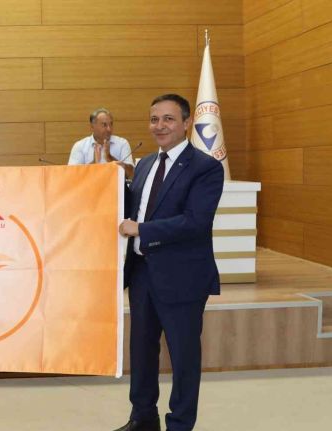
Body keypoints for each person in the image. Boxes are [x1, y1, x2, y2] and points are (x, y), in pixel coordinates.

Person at [116, 94, 224, 431]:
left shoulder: (205, 167)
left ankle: (179, 424)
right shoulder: (145, 164)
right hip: (142, 274)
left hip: (183, 278)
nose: (159, 126)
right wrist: (106, 185)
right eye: (154, 119)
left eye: (168, 119)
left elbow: (195, 222)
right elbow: (131, 209)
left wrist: (142, 230)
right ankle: (143, 417)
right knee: (141, 352)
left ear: (187, 122)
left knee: (183, 356)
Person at [68, 107, 135, 178]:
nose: (109, 129)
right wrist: (94, 163)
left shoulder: (122, 143)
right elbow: (72, 175)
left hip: (116, 184)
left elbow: (130, 174)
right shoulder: (80, 146)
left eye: (111, 124)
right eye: (104, 125)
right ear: (92, 127)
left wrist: (110, 158)